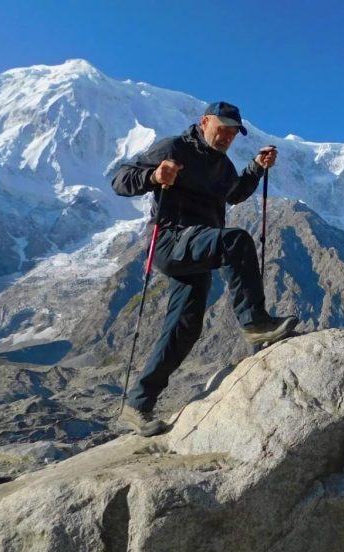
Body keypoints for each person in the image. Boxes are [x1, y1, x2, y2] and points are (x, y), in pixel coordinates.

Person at [111, 101, 298, 436]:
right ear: (204, 122)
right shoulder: (174, 148)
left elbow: (235, 194)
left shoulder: (223, 167)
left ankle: (138, 403)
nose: (226, 136)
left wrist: (256, 167)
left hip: (198, 248)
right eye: (221, 128)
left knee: (185, 328)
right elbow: (120, 179)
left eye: (232, 132)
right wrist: (153, 175)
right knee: (236, 241)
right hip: (171, 240)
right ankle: (255, 323)